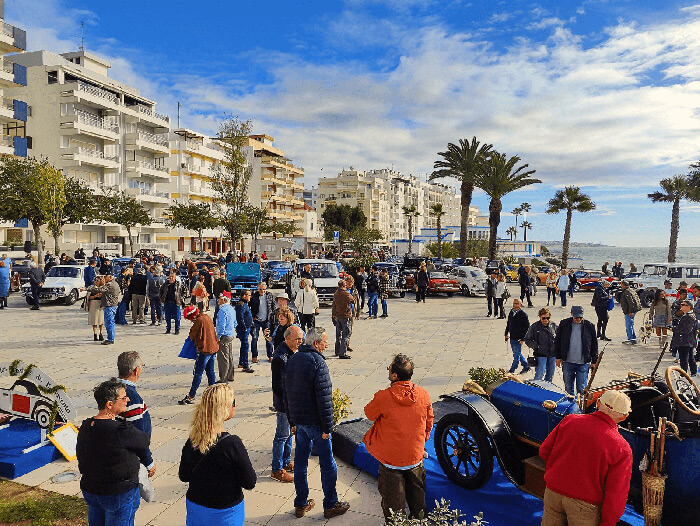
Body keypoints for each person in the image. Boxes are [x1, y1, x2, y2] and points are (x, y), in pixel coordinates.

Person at [539, 390, 632, 526]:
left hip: (553, 493)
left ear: (598, 403)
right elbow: (616, 493)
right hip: (585, 505)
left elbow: (544, 451)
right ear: (624, 416)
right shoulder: (621, 448)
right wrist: (608, 522)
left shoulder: (570, 420)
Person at [284, 327, 350, 519]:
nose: (327, 345)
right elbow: (324, 398)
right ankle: (330, 504)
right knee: (328, 464)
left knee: (301, 464)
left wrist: (292, 421)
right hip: (315, 424)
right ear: (316, 343)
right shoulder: (318, 362)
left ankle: (301, 503)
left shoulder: (293, 359)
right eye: (324, 343)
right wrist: (327, 428)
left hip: (300, 423)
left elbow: (286, 392)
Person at [363, 354, 433, 520]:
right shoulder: (423, 394)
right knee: (418, 505)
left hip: (391, 461)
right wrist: (419, 444)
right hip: (415, 458)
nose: (388, 370)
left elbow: (369, 414)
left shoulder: (384, 396)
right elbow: (429, 423)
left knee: (394, 510)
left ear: (394, 376)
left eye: (389, 368)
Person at [77, 378, 154, 526]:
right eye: (124, 397)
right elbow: (144, 441)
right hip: (117, 494)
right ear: (109, 404)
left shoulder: (86, 425)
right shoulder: (121, 430)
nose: (128, 400)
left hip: (91, 490)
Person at [179, 384, 256, 526]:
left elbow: (183, 476)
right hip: (225, 512)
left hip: (196, 507)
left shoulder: (193, 440)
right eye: (233, 402)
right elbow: (250, 482)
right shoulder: (232, 444)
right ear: (224, 408)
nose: (236, 405)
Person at [270, 326, 304, 483]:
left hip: (292, 401)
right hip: (285, 404)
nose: (300, 342)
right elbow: (279, 386)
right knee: (282, 435)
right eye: (298, 339)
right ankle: (277, 469)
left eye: (301, 339)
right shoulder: (280, 358)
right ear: (288, 338)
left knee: (289, 433)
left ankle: (286, 461)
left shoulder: (290, 353)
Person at [116, 351, 155, 476]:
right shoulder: (131, 397)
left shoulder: (113, 387)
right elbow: (138, 435)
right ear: (136, 371)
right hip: (131, 457)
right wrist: (148, 462)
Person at [554, 306, 599, 396]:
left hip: (583, 363)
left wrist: (594, 361)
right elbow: (557, 341)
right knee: (568, 387)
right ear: (571, 314)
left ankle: (580, 407)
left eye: (580, 317)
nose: (578, 319)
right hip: (568, 362)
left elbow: (594, 344)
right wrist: (558, 357)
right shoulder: (564, 324)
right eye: (576, 317)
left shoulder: (589, 326)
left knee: (582, 389)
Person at [179, 305, 219, 405]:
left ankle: (191, 396)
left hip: (204, 350)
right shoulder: (207, 317)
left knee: (198, 373)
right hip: (213, 348)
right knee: (210, 372)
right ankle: (213, 394)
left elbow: (192, 335)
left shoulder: (198, 321)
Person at [525, 308, 558, 383]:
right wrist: (536, 346)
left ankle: (547, 390)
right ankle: (536, 389)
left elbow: (560, 337)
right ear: (540, 317)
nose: (546, 320)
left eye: (547, 318)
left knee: (550, 374)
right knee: (540, 373)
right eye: (543, 318)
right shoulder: (535, 326)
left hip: (552, 354)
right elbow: (527, 339)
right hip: (540, 354)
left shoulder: (554, 325)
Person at [671, 300, 697, 375]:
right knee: (689, 357)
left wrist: (674, 329)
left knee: (684, 358)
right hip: (688, 340)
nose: (681, 306)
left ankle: (684, 373)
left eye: (683, 305)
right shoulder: (689, 315)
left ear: (689, 307)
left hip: (685, 341)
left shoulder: (689, 316)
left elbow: (686, 330)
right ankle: (693, 372)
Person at [505, 298, 531, 374]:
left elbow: (527, 328)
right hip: (512, 337)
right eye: (514, 303)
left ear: (520, 305)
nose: (515, 305)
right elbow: (508, 323)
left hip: (519, 339)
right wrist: (506, 333)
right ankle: (526, 366)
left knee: (516, 356)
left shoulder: (523, 315)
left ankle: (511, 370)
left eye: (517, 304)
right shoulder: (511, 312)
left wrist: (523, 338)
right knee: (517, 353)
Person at [249, 282, 274, 361]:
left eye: (264, 289)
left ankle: (270, 355)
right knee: (255, 338)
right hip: (256, 320)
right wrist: (252, 316)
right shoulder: (254, 296)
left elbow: (273, 306)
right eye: (260, 289)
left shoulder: (269, 295)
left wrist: (272, 317)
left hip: (267, 320)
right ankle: (254, 356)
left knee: (268, 338)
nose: (262, 291)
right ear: (257, 289)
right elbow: (248, 306)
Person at [216, 291, 237, 383]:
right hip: (230, 334)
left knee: (223, 358)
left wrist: (218, 336)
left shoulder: (222, 310)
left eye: (219, 299)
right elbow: (235, 323)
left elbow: (221, 325)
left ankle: (223, 378)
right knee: (229, 356)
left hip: (224, 335)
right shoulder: (232, 309)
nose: (218, 301)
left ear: (224, 300)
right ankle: (230, 375)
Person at [331, 279, 353, 359]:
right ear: (344, 286)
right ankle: (342, 353)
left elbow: (334, 305)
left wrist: (333, 315)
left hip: (338, 316)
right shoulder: (346, 294)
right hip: (345, 315)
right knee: (346, 334)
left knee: (338, 335)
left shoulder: (336, 293)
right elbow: (353, 300)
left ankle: (337, 351)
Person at [235, 289, 254, 373]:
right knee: (245, 346)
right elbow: (240, 318)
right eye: (249, 295)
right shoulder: (241, 305)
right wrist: (244, 328)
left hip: (247, 327)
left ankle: (241, 363)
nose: (250, 297)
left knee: (244, 346)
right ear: (244, 296)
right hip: (243, 329)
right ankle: (245, 365)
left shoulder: (245, 304)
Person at [86, 276, 105, 341]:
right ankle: (95, 334)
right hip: (93, 304)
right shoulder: (91, 287)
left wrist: (102, 296)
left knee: (101, 320)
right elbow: (88, 297)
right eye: (95, 280)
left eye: (97, 280)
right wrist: (95, 296)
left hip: (101, 304)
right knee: (94, 320)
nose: (96, 282)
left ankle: (101, 333)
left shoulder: (103, 288)